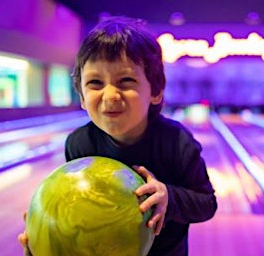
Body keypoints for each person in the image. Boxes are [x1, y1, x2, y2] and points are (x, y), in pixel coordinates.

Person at [18, 16, 217, 256]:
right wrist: (46, 240)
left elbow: (207, 204)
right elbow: (73, 208)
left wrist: (169, 197)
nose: (110, 95)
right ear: (81, 96)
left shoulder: (177, 142)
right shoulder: (79, 144)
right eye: (95, 82)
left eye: (126, 81)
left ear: (155, 90)